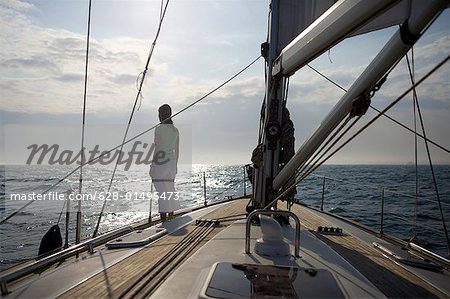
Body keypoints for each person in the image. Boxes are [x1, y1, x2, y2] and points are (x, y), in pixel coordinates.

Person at [150, 104, 180, 221]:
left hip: (161, 163)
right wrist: (175, 166)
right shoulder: (175, 130)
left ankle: (164, 221)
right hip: (172, 163)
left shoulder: (158, 129)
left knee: (162, 193)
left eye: (159, 114)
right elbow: (177, 150)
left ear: (161, 115)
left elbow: (158, 148)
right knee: (170, 190)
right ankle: (171, 217)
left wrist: (153, 166)